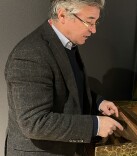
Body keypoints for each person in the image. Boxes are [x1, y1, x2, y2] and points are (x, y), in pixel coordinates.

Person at [4, 0, 123, 155]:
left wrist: (98, 102)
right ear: (62, 15)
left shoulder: (66, 43)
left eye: (96, 22)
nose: (94, 30)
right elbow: (34, 123)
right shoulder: (30, 55)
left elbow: (69, 87)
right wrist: (95, 125)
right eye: (89, 22)